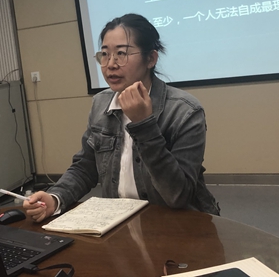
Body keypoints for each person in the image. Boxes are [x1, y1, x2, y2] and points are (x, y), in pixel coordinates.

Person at [24, 13, 219, 222]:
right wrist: (56, 197)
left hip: (180, 224)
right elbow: (85, 166)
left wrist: (144, 125)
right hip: (120, 222)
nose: (110, 64)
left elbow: (177, 195)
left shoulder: (185, 111)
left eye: (121, 53)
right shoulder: (101, 104)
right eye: (105, 54)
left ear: (151, 59)